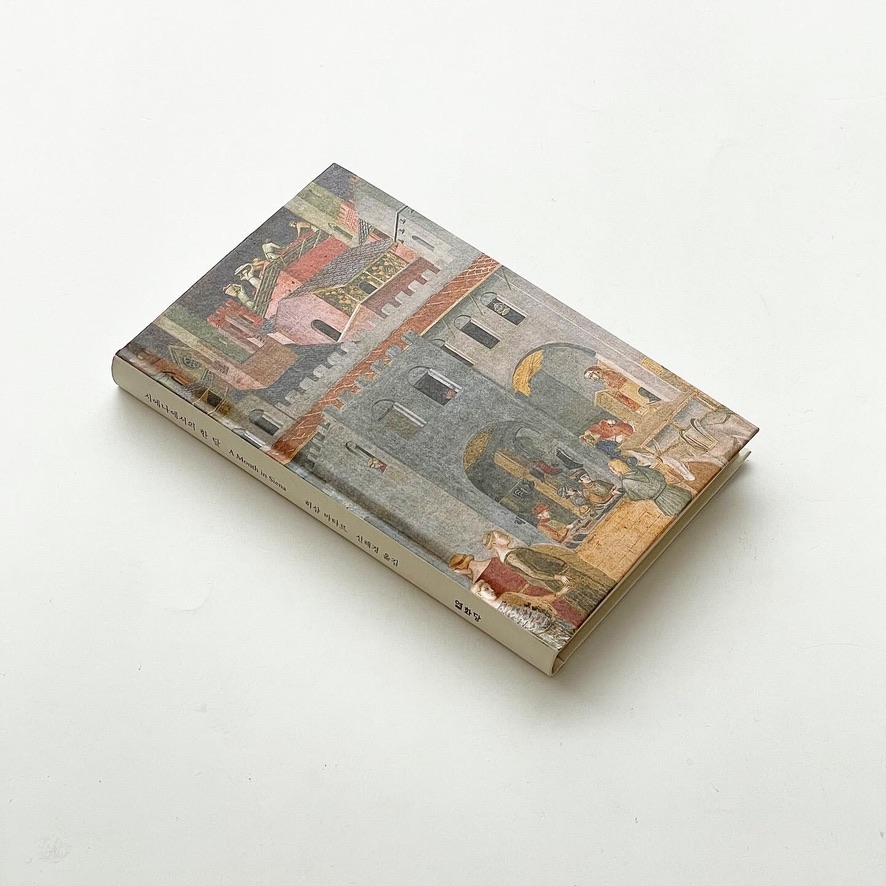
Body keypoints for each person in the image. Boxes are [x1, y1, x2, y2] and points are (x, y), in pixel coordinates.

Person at [608, 459, 692, 516]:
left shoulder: (625, 481)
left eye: (612, 470)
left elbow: (635, 497)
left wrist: (619, 494)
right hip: (671, 490)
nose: (613, 472)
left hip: (663, 500)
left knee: (683, 515)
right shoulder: (637, 468)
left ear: (616, 469)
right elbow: (657, 474)